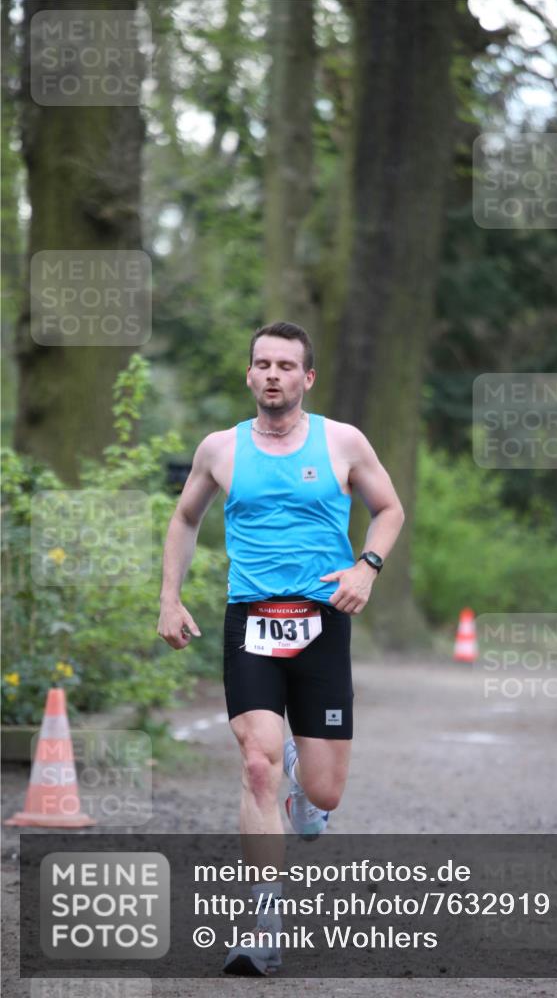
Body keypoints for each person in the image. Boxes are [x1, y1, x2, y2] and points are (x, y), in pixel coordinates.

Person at [157, 321, 404, 975]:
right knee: (256, 765)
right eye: (262, 364)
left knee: (321, 796)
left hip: (323, 621)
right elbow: (185, 518)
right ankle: (263, 927)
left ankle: (304, 781)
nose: (272, 375)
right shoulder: (220, 449)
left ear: (306, 378)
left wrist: (365, 567)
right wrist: (169, 599)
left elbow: (389, 509)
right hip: (251, 624)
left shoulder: (342, 441)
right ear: (249, 375)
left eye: (285, 366)